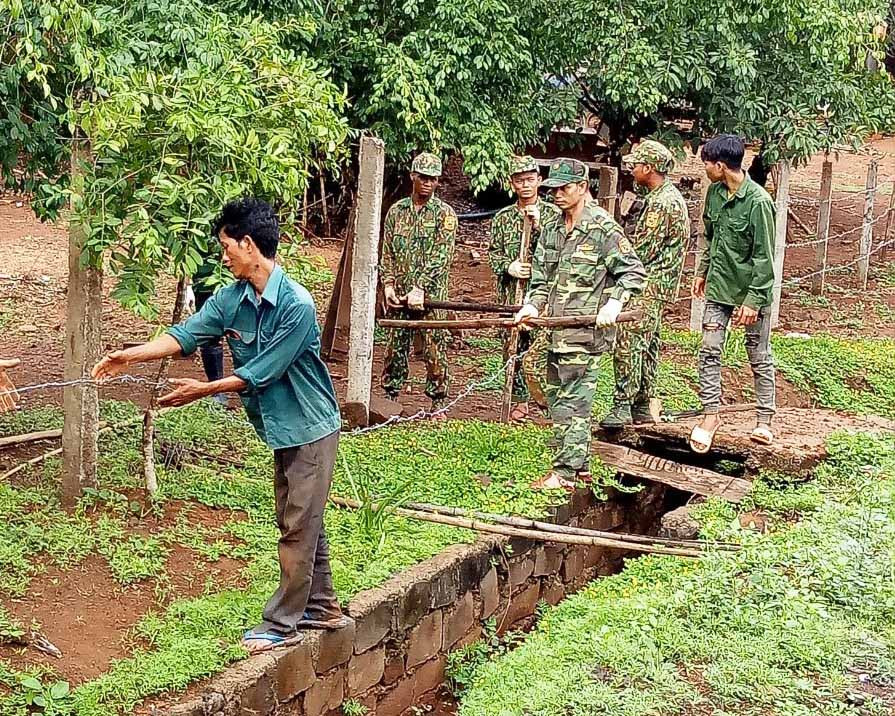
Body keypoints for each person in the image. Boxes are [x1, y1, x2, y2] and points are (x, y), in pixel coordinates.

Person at [92, 197, 350, 653]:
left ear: (249, 245)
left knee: (297, 525)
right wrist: (127, 355)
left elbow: (261, 372)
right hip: (280, 427)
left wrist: (201, 390)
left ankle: (282, 623)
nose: (223, 255)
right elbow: (185, 335)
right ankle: (323, 605)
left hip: (311, 426)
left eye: (226, 246)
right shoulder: (233, 299)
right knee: (302, 519)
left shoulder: (297, 305)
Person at [514, 158, 646, 490]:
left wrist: (614, 302)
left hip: (586, 334)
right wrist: (531, 305)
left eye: (564, 188)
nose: (556, 194)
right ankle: (581, 465)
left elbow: (632, 273)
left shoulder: (603, 229)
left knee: (572, 401)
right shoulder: (554, 230)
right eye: (553, 189)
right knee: (560, 398)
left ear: (583, 188)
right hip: (556, 330)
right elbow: (542, 278)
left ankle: (565, 474)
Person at [690, 134, 776, 453]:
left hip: (752, 291)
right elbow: (711, 237)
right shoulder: (714, 193)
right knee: (709, 350)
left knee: (759, 355)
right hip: (719, 288)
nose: (705, 170)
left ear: (721, 165)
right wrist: (702, 272)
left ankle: (764, 419)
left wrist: (752, 301)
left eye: (707, 165)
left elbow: (765, 258)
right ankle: (710, 416)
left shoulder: (758, 202)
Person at [601, 140, 690, 427]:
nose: (632, 169)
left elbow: (641, 252)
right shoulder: (666, 197)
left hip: (645, 285)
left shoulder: (661, 204)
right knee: (648, 344)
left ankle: (622, 404)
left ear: (649, 168)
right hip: (658, 286)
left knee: (628, 342)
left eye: (636, 165)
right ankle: (641, 402)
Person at [380, 152, 458, 413]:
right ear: (412, 176)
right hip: (400, 295)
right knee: (396, 345)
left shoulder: (445, 215)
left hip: (431, 296)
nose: (427, 183)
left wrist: (420, 287)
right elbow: (388, 251)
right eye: (423, 177)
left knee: (435, 348)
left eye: (433, 179)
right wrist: (388, 285)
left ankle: (438, 401)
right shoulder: (396, 212)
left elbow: (441, 256)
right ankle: (390, 396)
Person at [487, 155, 560, 420]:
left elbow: (559, 250)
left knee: (543, 348)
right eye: (520, 181)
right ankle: (518, 400)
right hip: (511, 294)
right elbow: (493, 253)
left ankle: (548, 399)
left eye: (530, 180)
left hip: (543, 296)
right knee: (512, 347)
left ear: (539, 181)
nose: (525, 185)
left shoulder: (554, 214)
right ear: (512, 184)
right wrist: (508, 266)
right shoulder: (503, 218)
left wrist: (539, 225)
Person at [185, 245, 228, 406]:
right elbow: (185, 244)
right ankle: (216, 390)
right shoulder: (197, 223)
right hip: (203, 279)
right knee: (209, 333)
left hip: (236, 276)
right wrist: (187, 284)